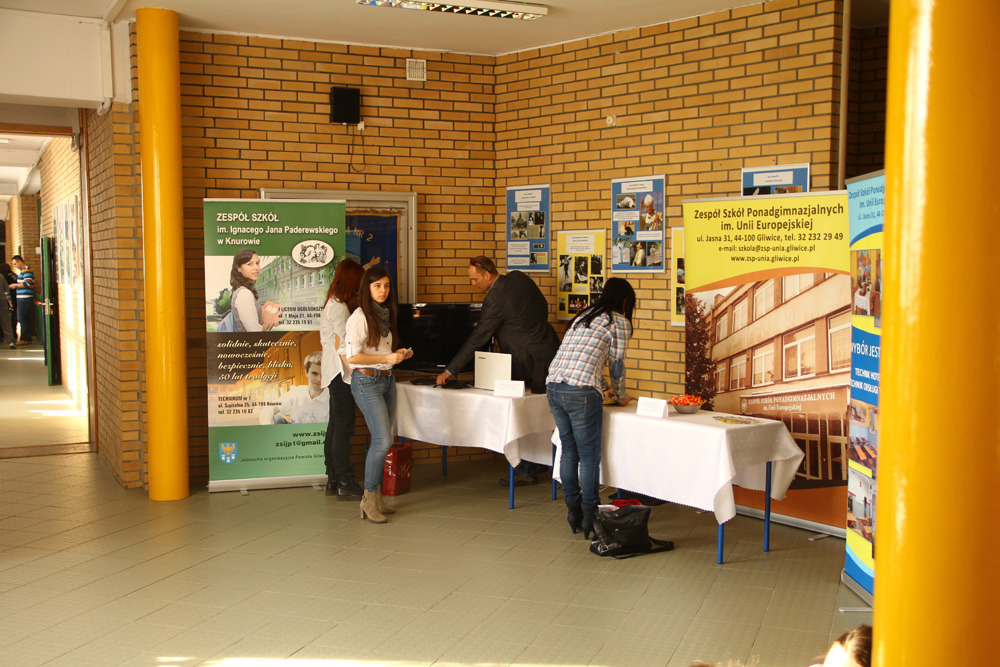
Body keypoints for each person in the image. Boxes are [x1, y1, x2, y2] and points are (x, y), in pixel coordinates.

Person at [435, 255, 560, 486]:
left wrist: (450, 371)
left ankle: (528, 470)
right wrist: (531, 331)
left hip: (526, 362)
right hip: (550, 351)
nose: (473, 284)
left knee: (521, 415)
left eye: (475, 280)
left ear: (487, 275)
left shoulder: (494, 300)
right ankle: (540, 464)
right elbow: (543, 305)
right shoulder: (519, 277)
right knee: (543, 412)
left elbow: (478, 338)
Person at [546, 277, 635, 538]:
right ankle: (590, 516)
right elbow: (616, 364)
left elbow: (580, 358)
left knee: (568, 450)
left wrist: (602, 385)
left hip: (554, 385)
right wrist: (620, 394)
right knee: (588, 456)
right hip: (582, 392)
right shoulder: (619, 321)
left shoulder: (583, 315)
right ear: (625, 301)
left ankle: (573, 511)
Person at [345, 266, 413, 523]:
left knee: (385, 439)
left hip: (386, 380)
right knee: (382, 441)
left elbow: (380, 351)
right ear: (367, 288)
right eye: (377, 286)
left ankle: (376, 498)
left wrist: (398, 354)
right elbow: (352, 357)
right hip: (366, 381)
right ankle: (368, 499)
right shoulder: (359, 316)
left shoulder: (383, 314)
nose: (383, 290)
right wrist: (387, 358)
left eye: (386, 285)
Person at [319, 258, 365, 500]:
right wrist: (356, 372)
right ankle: (345, 481)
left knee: (335, 426)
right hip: (340, 374)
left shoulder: (333, 303)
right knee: (343, 429)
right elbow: (343, 346)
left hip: (333, 372)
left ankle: (333, 478)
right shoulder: (339, 307)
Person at [271, 351, 329, 424]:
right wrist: (268, 427)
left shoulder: (332, 399)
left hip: (319, 431)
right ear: (306, 372)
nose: (319, 379)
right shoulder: (298, 391)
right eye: (314, 373)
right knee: (276, 419)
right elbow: (269, 409)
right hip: (294, 431)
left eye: (323, 374)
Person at [230, 248, 274, 332]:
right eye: (249, 264)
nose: (256, 268)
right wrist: (267, 323)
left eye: (257, 263)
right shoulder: (244, 294)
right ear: (238, 268)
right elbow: (255, 331)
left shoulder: (242, 290)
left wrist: (270, 320)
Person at [10, 255, 35, 345]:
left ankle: (25, 338)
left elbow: (27, 283)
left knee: (22, 318)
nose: (15, 266)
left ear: (20, 261)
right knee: (24, 318)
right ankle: (27, 337)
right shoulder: (23, 271)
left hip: (25, 298)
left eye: (15, 264)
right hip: (22, 297)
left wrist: (15, 285)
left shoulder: (27, 271)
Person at [0, 263, 15, 348]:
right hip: (2, 300)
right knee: (6, 322)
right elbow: (7, 290)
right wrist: (10, 301)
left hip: (2, 300)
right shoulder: (1, 277)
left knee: (6, 321)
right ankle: (11, 341)